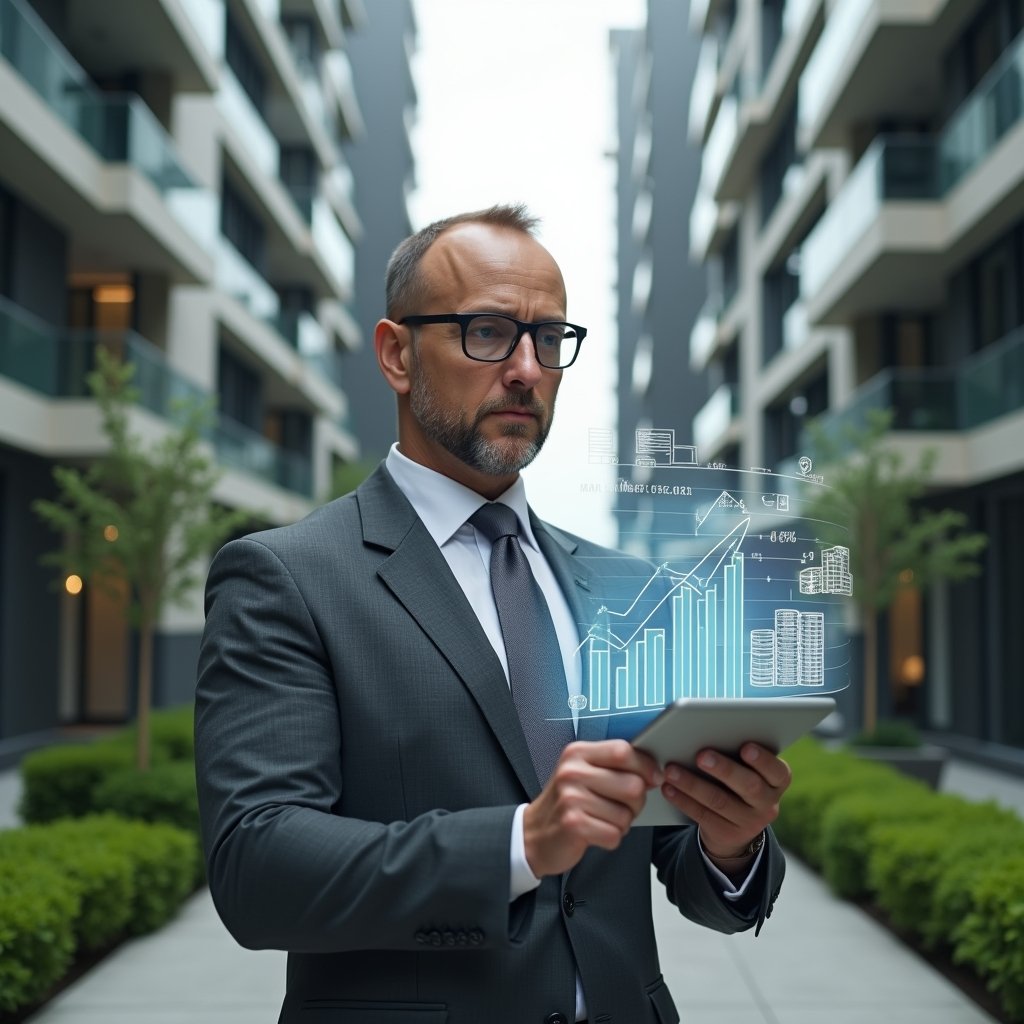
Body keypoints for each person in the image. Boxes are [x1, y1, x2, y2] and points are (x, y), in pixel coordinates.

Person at [195, 204, 791, 1024]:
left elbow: (682, 866)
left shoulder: (631, 589)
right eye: (487, 332)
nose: (526, 369)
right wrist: (518, 845)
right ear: (396, 353)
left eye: (549, 340)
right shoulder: (286, 578)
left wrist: (731, 841)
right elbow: (258, 868)